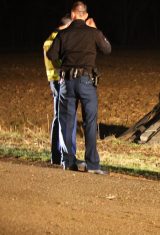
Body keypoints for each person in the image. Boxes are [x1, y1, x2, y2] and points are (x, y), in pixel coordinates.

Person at [47, 1, 111, 175]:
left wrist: (61, 66)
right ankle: (92, 165)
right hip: (86, 82)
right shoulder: (93, 33)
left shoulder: (63, 34)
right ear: (85, 15)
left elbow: (51, 55)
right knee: (90, 123)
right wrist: (97, 30)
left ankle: (68, 162)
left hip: (66, 82)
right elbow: (107, 49)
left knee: (67, 123)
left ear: (73, 15)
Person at [43, 14, 77, 165]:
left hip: (54, 80)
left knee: (58, 118)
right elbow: (59, 62)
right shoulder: (58, 39)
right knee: (64, 118)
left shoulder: (50, 38)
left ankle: (56, 156)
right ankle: (65, 156)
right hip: (60, 81)